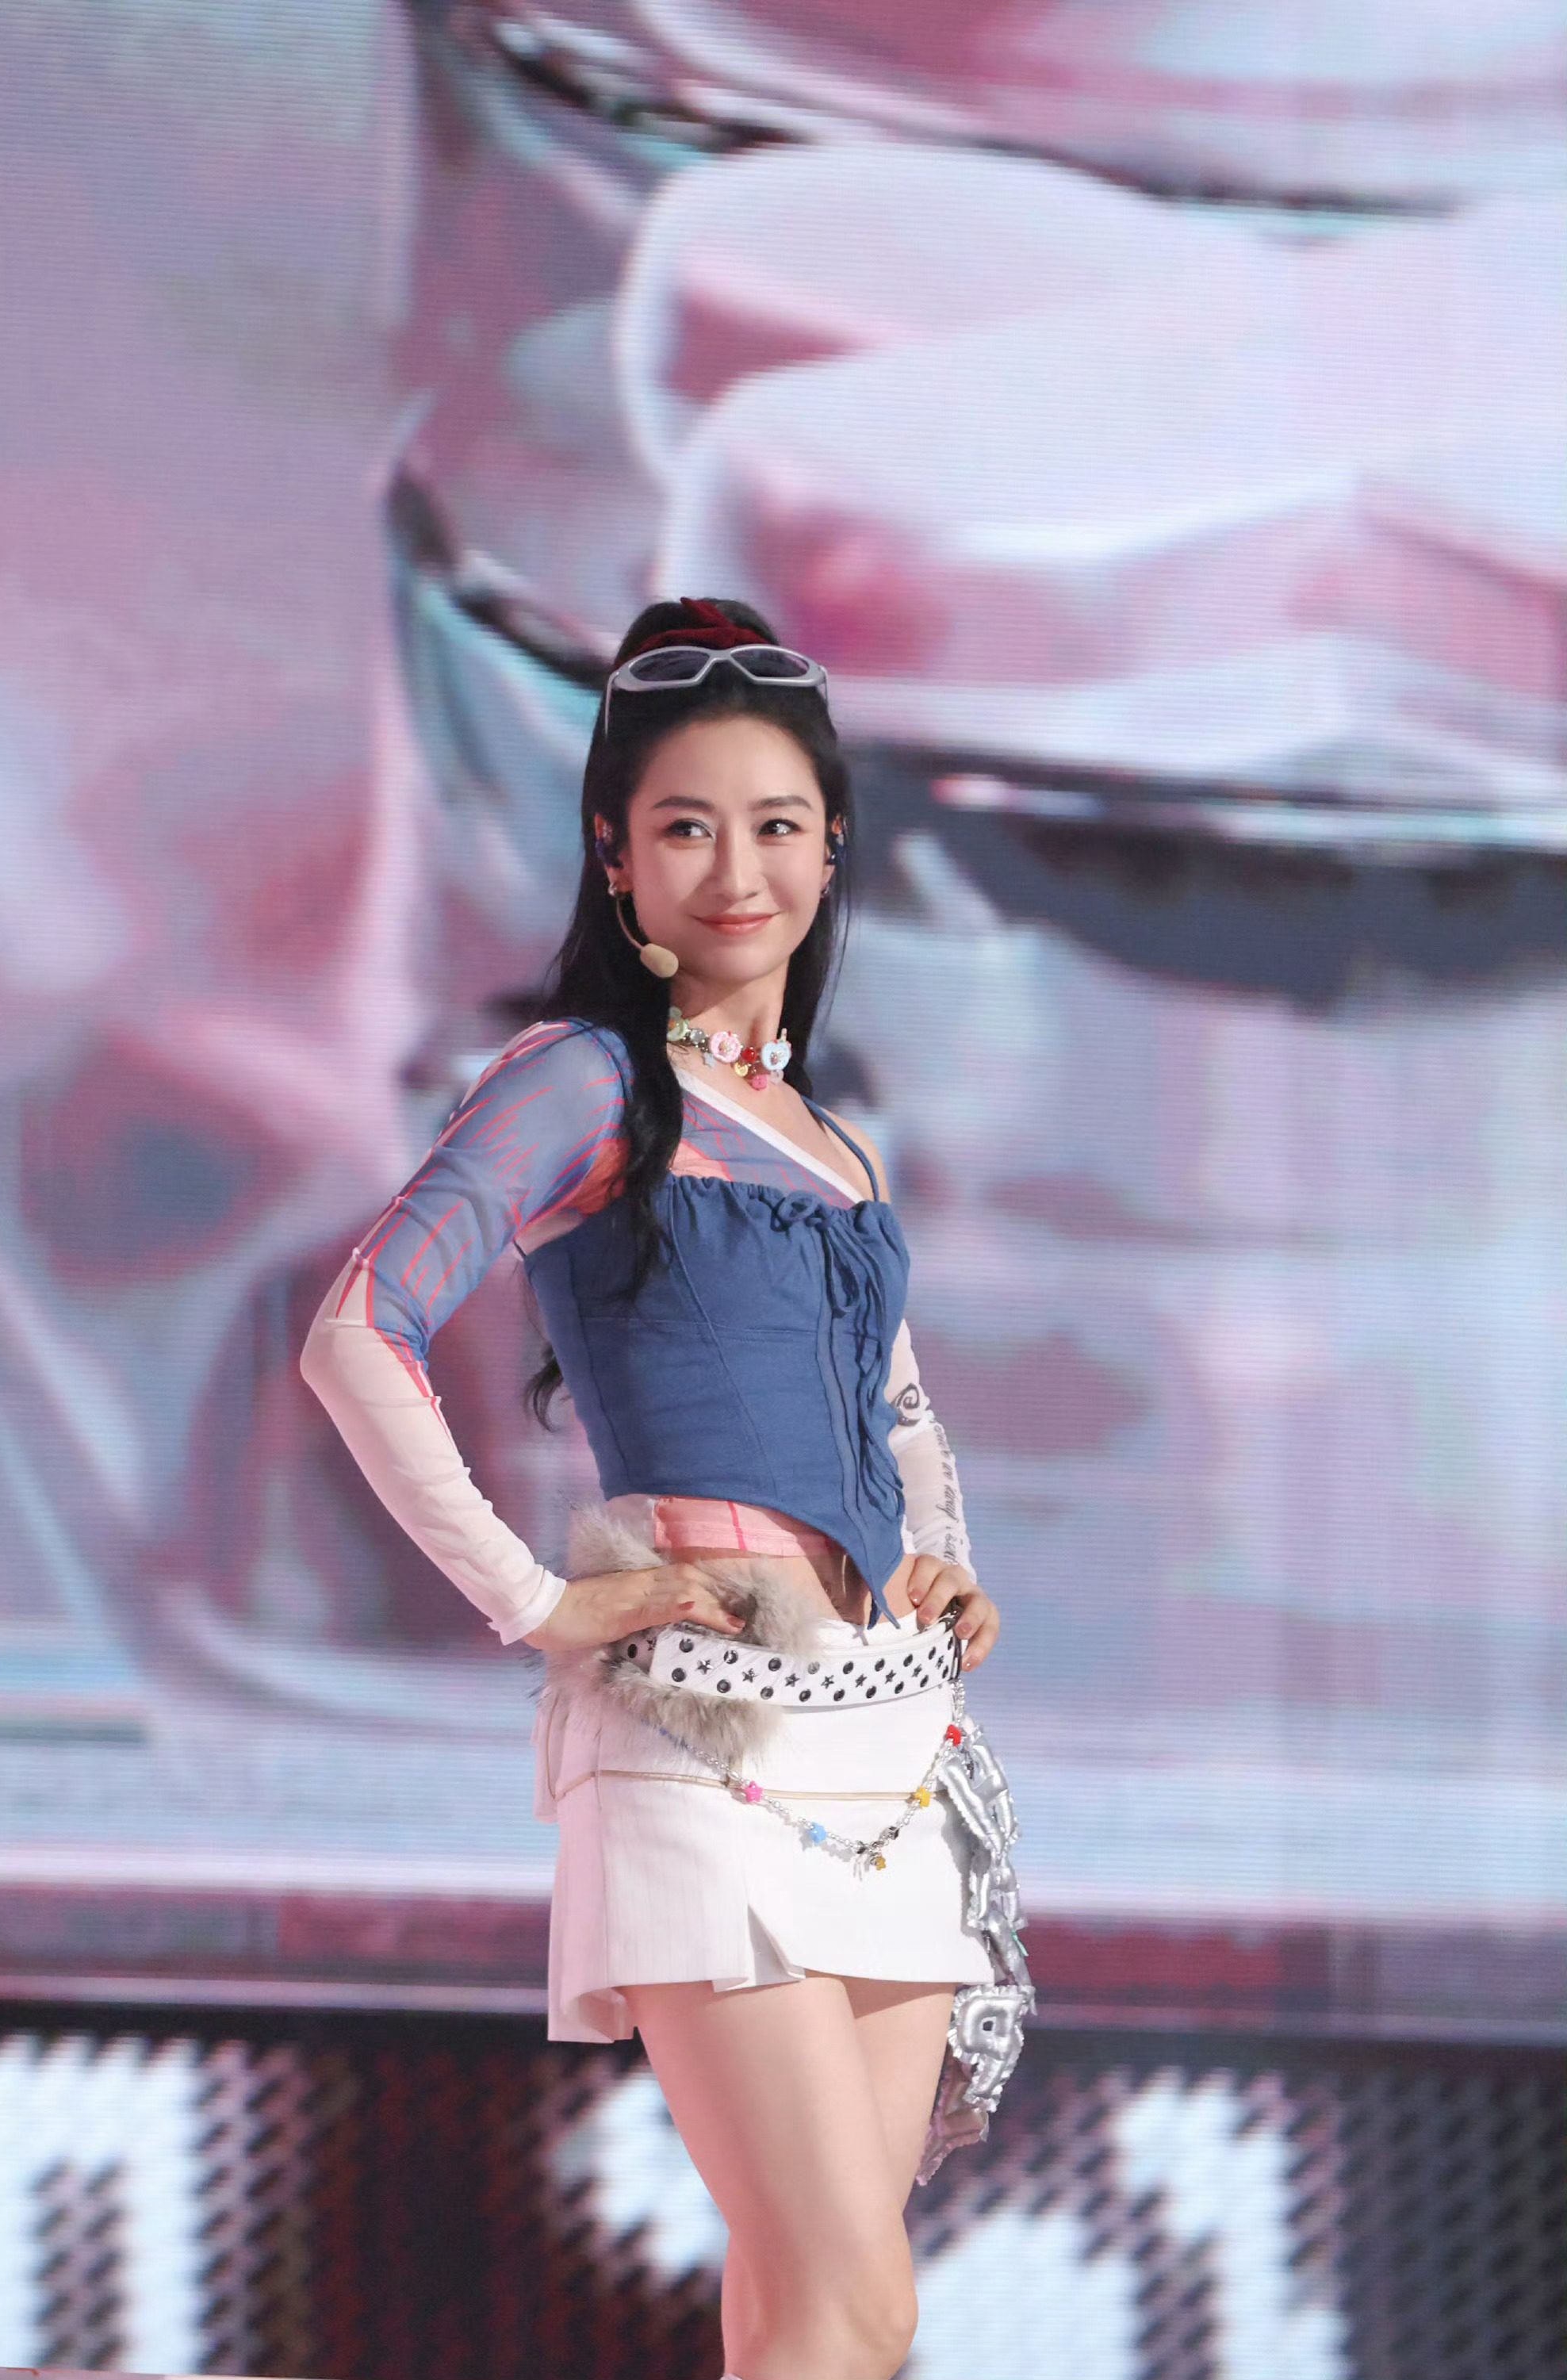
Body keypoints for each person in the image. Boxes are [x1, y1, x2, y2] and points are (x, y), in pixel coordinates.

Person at [301, 596, 1030, 2380]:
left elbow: (897, 1400)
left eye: (776, 824)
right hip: (707, 1747)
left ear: (832, 848)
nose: (737, 869)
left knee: (822, 2317)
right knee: (845, 2301)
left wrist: (943, 1553)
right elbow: (357, 1331)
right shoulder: (583, 1079)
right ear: (615, 857)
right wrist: (541, 1600)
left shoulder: (833, 1140)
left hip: (888, 1739)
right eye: (686, 826)